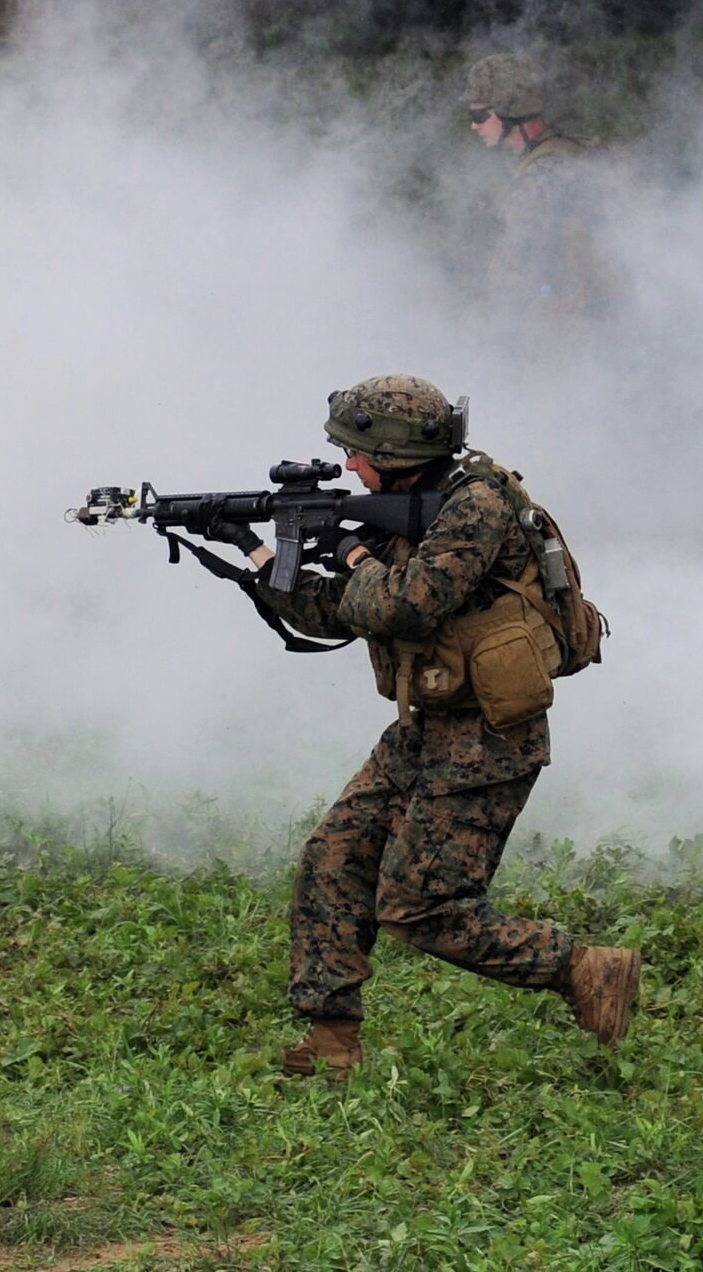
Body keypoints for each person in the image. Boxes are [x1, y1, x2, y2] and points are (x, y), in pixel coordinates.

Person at [209, 374, 641, 1075]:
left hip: (489, 735)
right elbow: (338, 612)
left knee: (422, 907)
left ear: (394, 450)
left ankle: (583, 968)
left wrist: (350, 550)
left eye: (355, 451)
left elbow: (405, 605)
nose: (348, 466)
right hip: (426, 723)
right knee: (334, 859)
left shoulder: (475, 506)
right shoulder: (409, 506)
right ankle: (330, 1042)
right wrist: (256, 553)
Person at [464, 53, 617, 316]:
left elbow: (508, 285)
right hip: (607, 320)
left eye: (479, 115)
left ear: (507, 110)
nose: (473, 126)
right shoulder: (574, 150)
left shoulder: (539, 180)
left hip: (571, 332)